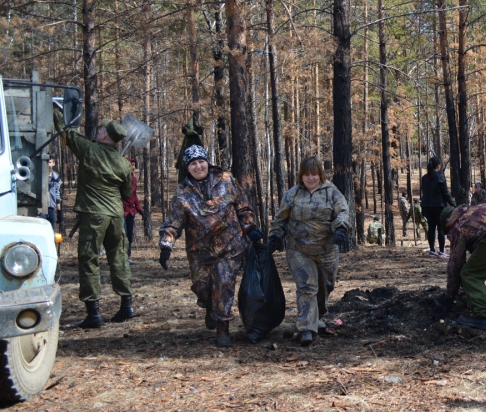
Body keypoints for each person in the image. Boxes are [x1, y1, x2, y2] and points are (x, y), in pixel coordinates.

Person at [159, 146, 262, 347]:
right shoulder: (182, 193)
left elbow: (243, 207)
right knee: (202, 287)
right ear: (187, 167)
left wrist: (250, 229)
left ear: (208, 162)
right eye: (193, 163)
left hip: (229, 247)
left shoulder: (226, 180)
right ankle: (209, 305)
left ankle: (223, 327)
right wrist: (166, 245)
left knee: (224, 286)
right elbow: (173, 222)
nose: (198, 166)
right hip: (199, 252)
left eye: (201, 161)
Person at [54, 110, 136, 328]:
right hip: (116, 216)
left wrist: (56, 110)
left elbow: (68, 132)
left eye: (100, 129)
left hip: (94, 214)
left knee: (89, 259)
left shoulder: (89, 150)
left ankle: (93, 313)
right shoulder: (124, 163)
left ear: (105, 136)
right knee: (119, 257)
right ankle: (126, 305)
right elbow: (126, 193)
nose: (98, 131)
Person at [267, 155, 352, 346]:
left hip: (327, 251)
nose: (310, 178)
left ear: (320, 174)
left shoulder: (332, 192)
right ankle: (306, 328)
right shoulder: (292, 194)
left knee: (325, 286)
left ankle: (316, 317)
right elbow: (280, 219)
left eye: (314, 174)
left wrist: (341, 228)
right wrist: (275, 236)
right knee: (307, 287)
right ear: (301, 176)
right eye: (306, 174)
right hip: (299, 250)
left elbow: (343, 212)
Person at [421, 156, 455, 257]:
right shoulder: (440, 177)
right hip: (439, 206)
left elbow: (424, 194)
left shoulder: (424, 178)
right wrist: (453, 204)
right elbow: (446, 193)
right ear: (438, 166)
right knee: (440, 228)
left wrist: (423, 206)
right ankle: (441, 251)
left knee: (431, 228)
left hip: (428, 206)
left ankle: (432, 250)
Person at [123, 157, 142, 265]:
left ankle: (127, 257)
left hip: (131, 211)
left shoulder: (134, 179)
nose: (132, 167)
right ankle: (121, 258)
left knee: (129, 235)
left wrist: (140, 209)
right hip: (122, 211)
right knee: (123, 235)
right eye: (130, 165)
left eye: (134, 165)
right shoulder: (121, 179)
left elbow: (134, 195)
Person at [45, 157, 61, 228]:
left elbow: (57, 193)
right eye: (46, 162)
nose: (47, 164)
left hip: (51, 206)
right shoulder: (39, 175)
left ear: (53, 164)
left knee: (51, 227)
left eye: (49, 162)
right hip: (41, 206)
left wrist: (59, 211)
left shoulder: (56, 177)